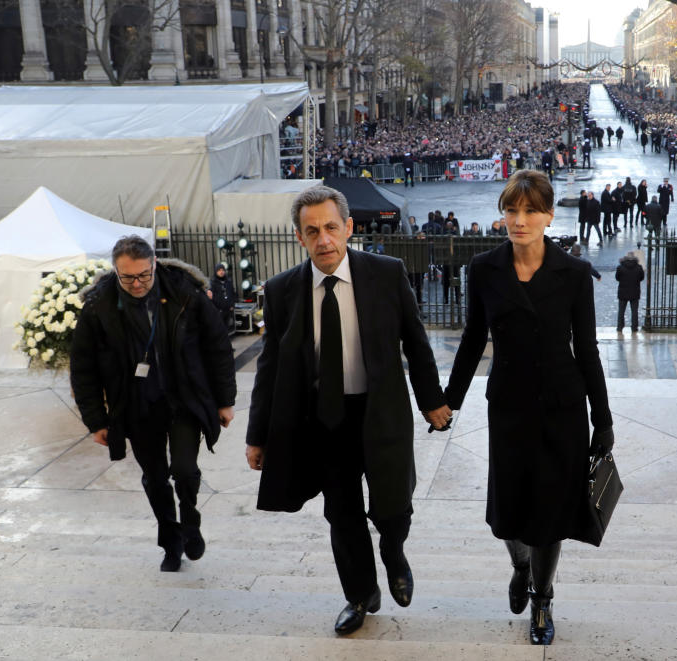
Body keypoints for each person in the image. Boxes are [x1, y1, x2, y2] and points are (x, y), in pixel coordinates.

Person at [244, 185, 452, 635]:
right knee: (342, 515)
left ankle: (394, 553)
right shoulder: (282, 291)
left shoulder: (387, 273)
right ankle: (359, 595)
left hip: (381, 415)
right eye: (312, 231)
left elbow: (417, 345)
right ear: (300, 237)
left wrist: (432, 401)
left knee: (393, 508)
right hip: (325, 420)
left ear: (349, 228)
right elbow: (270, 366)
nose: (324, 239)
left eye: (331, 228)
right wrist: (256, 434)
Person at [443, 169, 614, 646]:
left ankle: (542, 600)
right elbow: (474, 338)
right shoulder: (484, 269)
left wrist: (603, 420)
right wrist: (447, 402)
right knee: (508, 507)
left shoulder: (574, 273)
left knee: (550, 513)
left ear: (549, 215)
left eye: (531, 210)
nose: (520, 220)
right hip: (511, 407)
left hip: (562, 407)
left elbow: (588, 350)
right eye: (512, 210)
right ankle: (521, 566)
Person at [70, 236, 236, 573]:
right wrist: (96, 420)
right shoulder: (99, 306)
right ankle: (171, 542)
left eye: (144, 275)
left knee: (185, 470)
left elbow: (217, 345)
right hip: (136, 405)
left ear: (154, 265)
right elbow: (83, 367)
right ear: (115, 272)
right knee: (156, 477)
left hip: (183, 398)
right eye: (127, 277)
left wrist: (225, 400)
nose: (137, 283)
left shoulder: (184, 292)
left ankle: (190, 519)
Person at [615, 252, 644, 333]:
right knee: (634, 311)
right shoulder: (639, 267)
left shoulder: (620, 267)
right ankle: (634, 327)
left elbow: (617, 278)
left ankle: (620, 327)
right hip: (635, 291)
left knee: (621, 310)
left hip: (623, 292)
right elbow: (641, 278)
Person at [208, 262, 235, 331]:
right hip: (218, 311)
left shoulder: (228, 281)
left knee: (227, 328)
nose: (221, 272)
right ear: (216, 271)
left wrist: (232, 305)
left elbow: (233, 294)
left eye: (223, 270)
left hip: (228, 309)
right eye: (219, 270)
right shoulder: (212, 283)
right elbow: (210, 297)